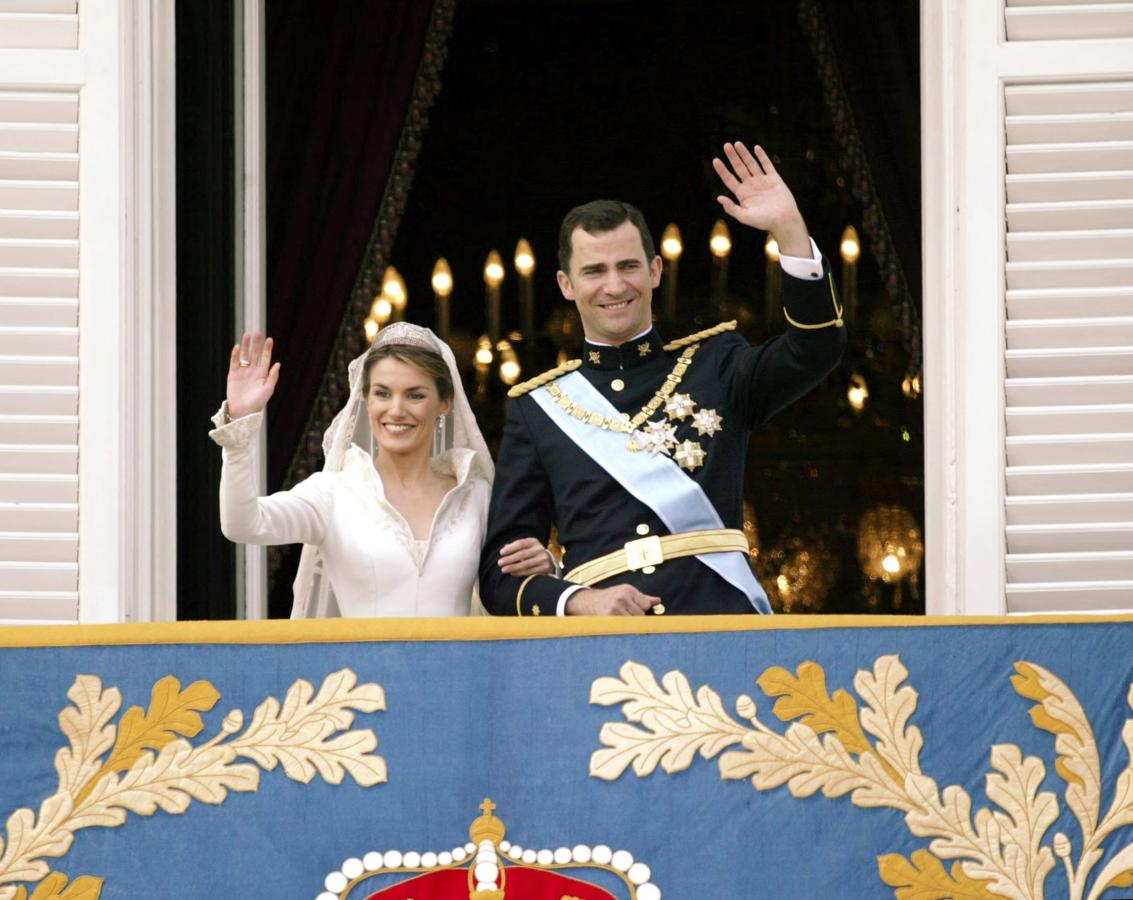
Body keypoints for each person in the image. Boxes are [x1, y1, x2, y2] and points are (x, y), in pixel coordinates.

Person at [478, 142, 846, 617]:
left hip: (719, 626)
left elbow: (815, 348)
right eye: (594, 271)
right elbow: (500, 579)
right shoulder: (538, 409)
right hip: (603, 647)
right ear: (566, 285)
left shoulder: (718, 366)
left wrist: (790, 230)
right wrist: (579, 599)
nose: (614, 286)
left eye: (628, 266)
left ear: (654, 271)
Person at [210, 321, 552, 618]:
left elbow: (509, 580)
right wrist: (240, 425)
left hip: (458, 684)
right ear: (366, 399)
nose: (396, 410)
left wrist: (545, 564)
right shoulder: (333, 493)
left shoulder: (476, 494)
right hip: (367, 688)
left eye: (415, 395)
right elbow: (243, 524)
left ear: (445, 403)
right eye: (382, 394)